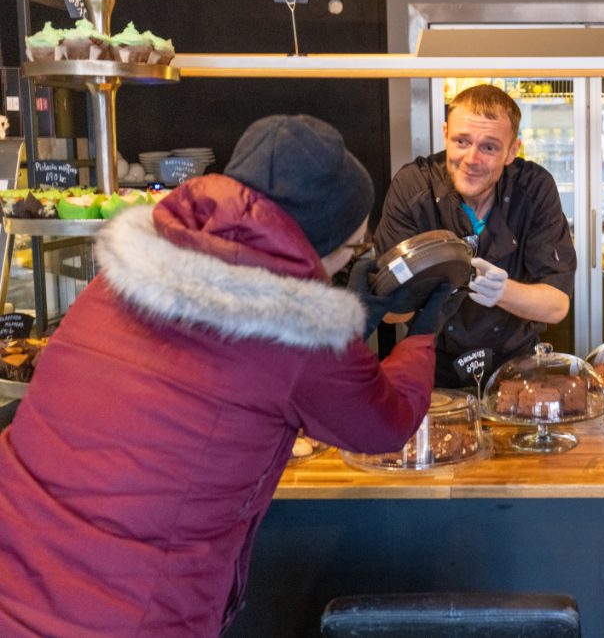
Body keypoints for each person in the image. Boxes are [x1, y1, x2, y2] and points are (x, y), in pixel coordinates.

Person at [0, 115, 454, 637]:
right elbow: (384, 425)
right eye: (352, 248)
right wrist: (422, 335)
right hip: (128, 613)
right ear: (317, 242)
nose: (349, 259)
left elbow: (231, 365)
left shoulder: (114, 281)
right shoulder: (295, 337)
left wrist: (346, 316)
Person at [375, 84, 576, 387]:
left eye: (489, 147)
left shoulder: (534, 189)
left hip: (517, 372)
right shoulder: (413, 187)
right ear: (445, 134)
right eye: (461, 141)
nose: (471, 158)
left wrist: (501, 291)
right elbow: (390, 313)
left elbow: (556, 304)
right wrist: (440, 281)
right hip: (431, 369)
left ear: (512, 151)